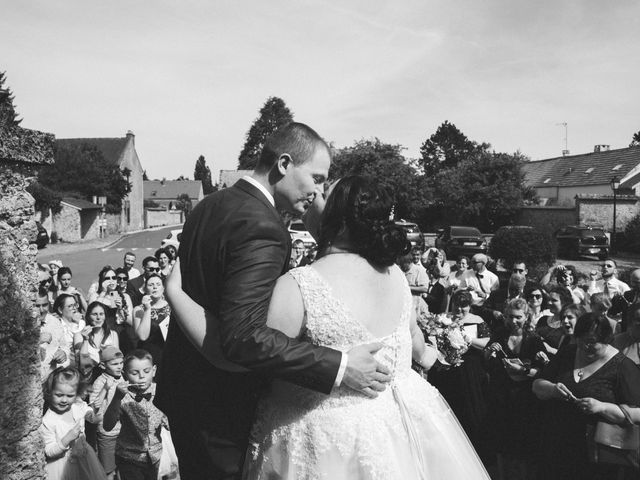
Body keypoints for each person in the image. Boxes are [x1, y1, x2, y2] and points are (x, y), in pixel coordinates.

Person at [166, 175, 490, 479]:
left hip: (322, 439)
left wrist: (176, 294)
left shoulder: (302, 285)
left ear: (337, 217)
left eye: (322, 193)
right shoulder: (396, 277)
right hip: (396, 434)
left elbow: (241, 352)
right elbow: (415, 342)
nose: (312, 195)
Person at [156, 124, 393, 480]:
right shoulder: (263, 226)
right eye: (316, 177)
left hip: (186, 393)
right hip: (224, 410)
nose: (317, 192)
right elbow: (243, 336)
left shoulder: (209, 205)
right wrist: (340, 366)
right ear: (284, 164)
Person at [532, 313, 640, 480]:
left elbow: (637, 413)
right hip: (557, 446)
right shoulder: (568, 352)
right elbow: (537, 384)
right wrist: (552, 389)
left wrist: (601, 407)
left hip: (596, 456)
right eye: (581, 341)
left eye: (592, 342)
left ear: (606, 340)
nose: (585, 347)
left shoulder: (623, 366)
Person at [484, 298, 548, 479]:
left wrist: (524, 370)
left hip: (525, 400)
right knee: (501, 442)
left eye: (518, 317)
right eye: (510, 317)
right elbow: (488, 366)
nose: (514, 321)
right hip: (501, 397)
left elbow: (543, 372)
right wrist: (489, 354)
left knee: (522, 445)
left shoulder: (534, 339)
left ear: (526, 317)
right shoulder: (499, 334)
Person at [427, 290, 491, 461]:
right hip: (445, 370)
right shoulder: (444, 318)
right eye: (457, 305)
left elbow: (485, 343)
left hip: (468, 371)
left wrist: (464, 336)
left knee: (469, 408)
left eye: (464, 306)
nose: (460, 310)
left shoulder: (477, 321)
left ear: (470, 306)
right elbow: (432, 339)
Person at [103, 349, 167, 480]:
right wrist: (117, 398)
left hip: (155, 456)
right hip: (129, 457)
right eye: (134, 373)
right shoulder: (120, 394)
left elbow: (170, 421)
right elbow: (107, 425)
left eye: (146, 371)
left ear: (154, 370)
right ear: (125, 374)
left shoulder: (161, 391)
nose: (141, 376)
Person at [40, 367, 106, 480]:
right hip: (61, 467)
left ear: (76, 394)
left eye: (70, 396)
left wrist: (93, 416)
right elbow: (49, 451)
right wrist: (67, 439)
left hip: (84, 459)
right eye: (59, 395)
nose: (64, 400)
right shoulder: (48, 420)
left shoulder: (76, 406)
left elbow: (87, 410)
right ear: (50, 392)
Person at [90, 346, 126, 480]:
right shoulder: (99, 382)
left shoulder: (123, 377)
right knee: (108, 469)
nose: (119, 367)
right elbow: (93, 407)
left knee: (124, 466)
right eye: (114, 364)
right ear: (103, 365)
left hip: (124, 431)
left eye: (121, 363)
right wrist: (105, 388)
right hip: (107, 433)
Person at [132, 274, 171, 371]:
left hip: (170, 352)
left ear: (163, 288)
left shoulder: (171, 306)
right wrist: (147, 309)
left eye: (158, 284)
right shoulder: (138, 310)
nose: (155, 287)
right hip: (150, 355)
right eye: (151, 285)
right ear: (145, 289)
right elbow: (142, 336)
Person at [74, 302, 120, 366]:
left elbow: (118, 358)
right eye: (94, 314)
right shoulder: (79, 335)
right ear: (88, 316)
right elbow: (79, 361)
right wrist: (85, 340)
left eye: (101, 314)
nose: (98, 317)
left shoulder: (113, 334)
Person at [36, 291, 69, 379]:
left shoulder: (55, 322)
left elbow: (64, 346)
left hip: (51, 378)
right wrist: (37, 340)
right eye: (37, 306)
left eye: (45, 305)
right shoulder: (22, 325)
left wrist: (63, 353)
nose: (42, 310)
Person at [536, 284, 574, 356]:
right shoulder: (542, 320)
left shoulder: (568, 327)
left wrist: (547, 348)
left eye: (554, 300)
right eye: (549, 299)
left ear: (564, 303)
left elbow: (566, 355)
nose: (549, 303)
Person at [52, 293, 86, 367]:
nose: (74, 308)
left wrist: (76, 324)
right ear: (60, 310)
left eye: (75, 305)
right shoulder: (56, 325)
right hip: (63, 363)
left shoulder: (81, 323)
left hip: (81, 361)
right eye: (70, 306)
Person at [608, 268, 640, 332]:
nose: (633, 285)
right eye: (632, 282)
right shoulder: (627, 295)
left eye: (637, 283)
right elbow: (613, 312)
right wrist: (616, 299)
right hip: (626, 331)